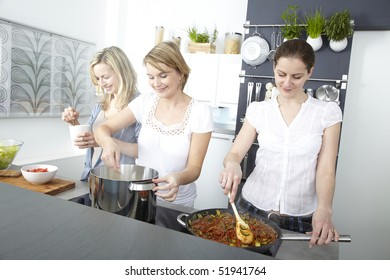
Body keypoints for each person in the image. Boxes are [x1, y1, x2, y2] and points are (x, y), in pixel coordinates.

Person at [219, 39, 342, 247]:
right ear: (274, 68)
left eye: (296, 76)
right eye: (281, 74)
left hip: (300, 218)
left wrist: (324, 208)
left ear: (310, 72)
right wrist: (232, 165)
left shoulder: (326, 113)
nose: (286, 83)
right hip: (250, 209)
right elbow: (235, 153)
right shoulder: (259, 110)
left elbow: (327, 170)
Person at [94, 41, 213, 211]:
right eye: (151, 77)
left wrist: (178, 178)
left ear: (181, 73)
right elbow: (102, 129)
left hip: (177, 202)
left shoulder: (200, 112)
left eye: (163, 75)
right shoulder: (145, 102)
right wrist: (108, 142)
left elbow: (194, 168)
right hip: (141, 196)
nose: (156, 83)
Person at [62, 46, 140, 181]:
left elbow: (143, 150)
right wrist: (73, 122)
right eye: (98, 78)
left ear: (122, 72)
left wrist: (104, 141)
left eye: (106, 77)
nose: (101, 83)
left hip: (119, 181)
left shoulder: (139, 105)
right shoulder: (101, 105)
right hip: (91, 176)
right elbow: (90, 139)